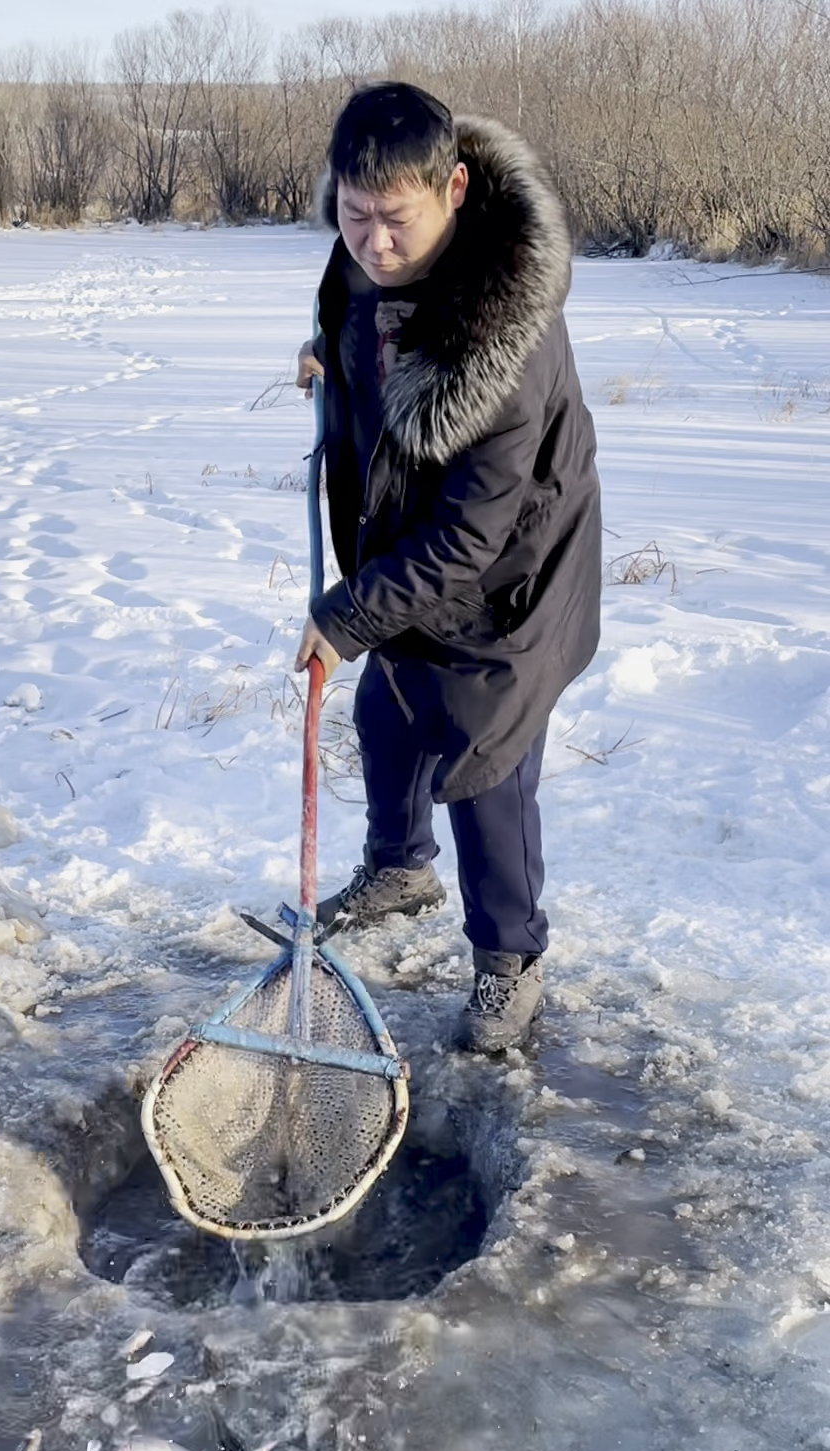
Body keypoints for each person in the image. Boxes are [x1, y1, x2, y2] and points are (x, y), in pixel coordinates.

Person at [294, 82, 601, 1052]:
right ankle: (399, 867)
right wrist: (329, 359)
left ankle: (512, 961)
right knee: (385, 709)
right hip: (413, 542)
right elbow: (361, 325)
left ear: (455, 188)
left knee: (483, 761)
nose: (374, 242)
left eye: (396, 220)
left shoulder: (503, 345)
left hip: (514, 580)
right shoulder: (360, 267)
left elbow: (473, 539)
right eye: (354, 217)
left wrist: (347, 615)